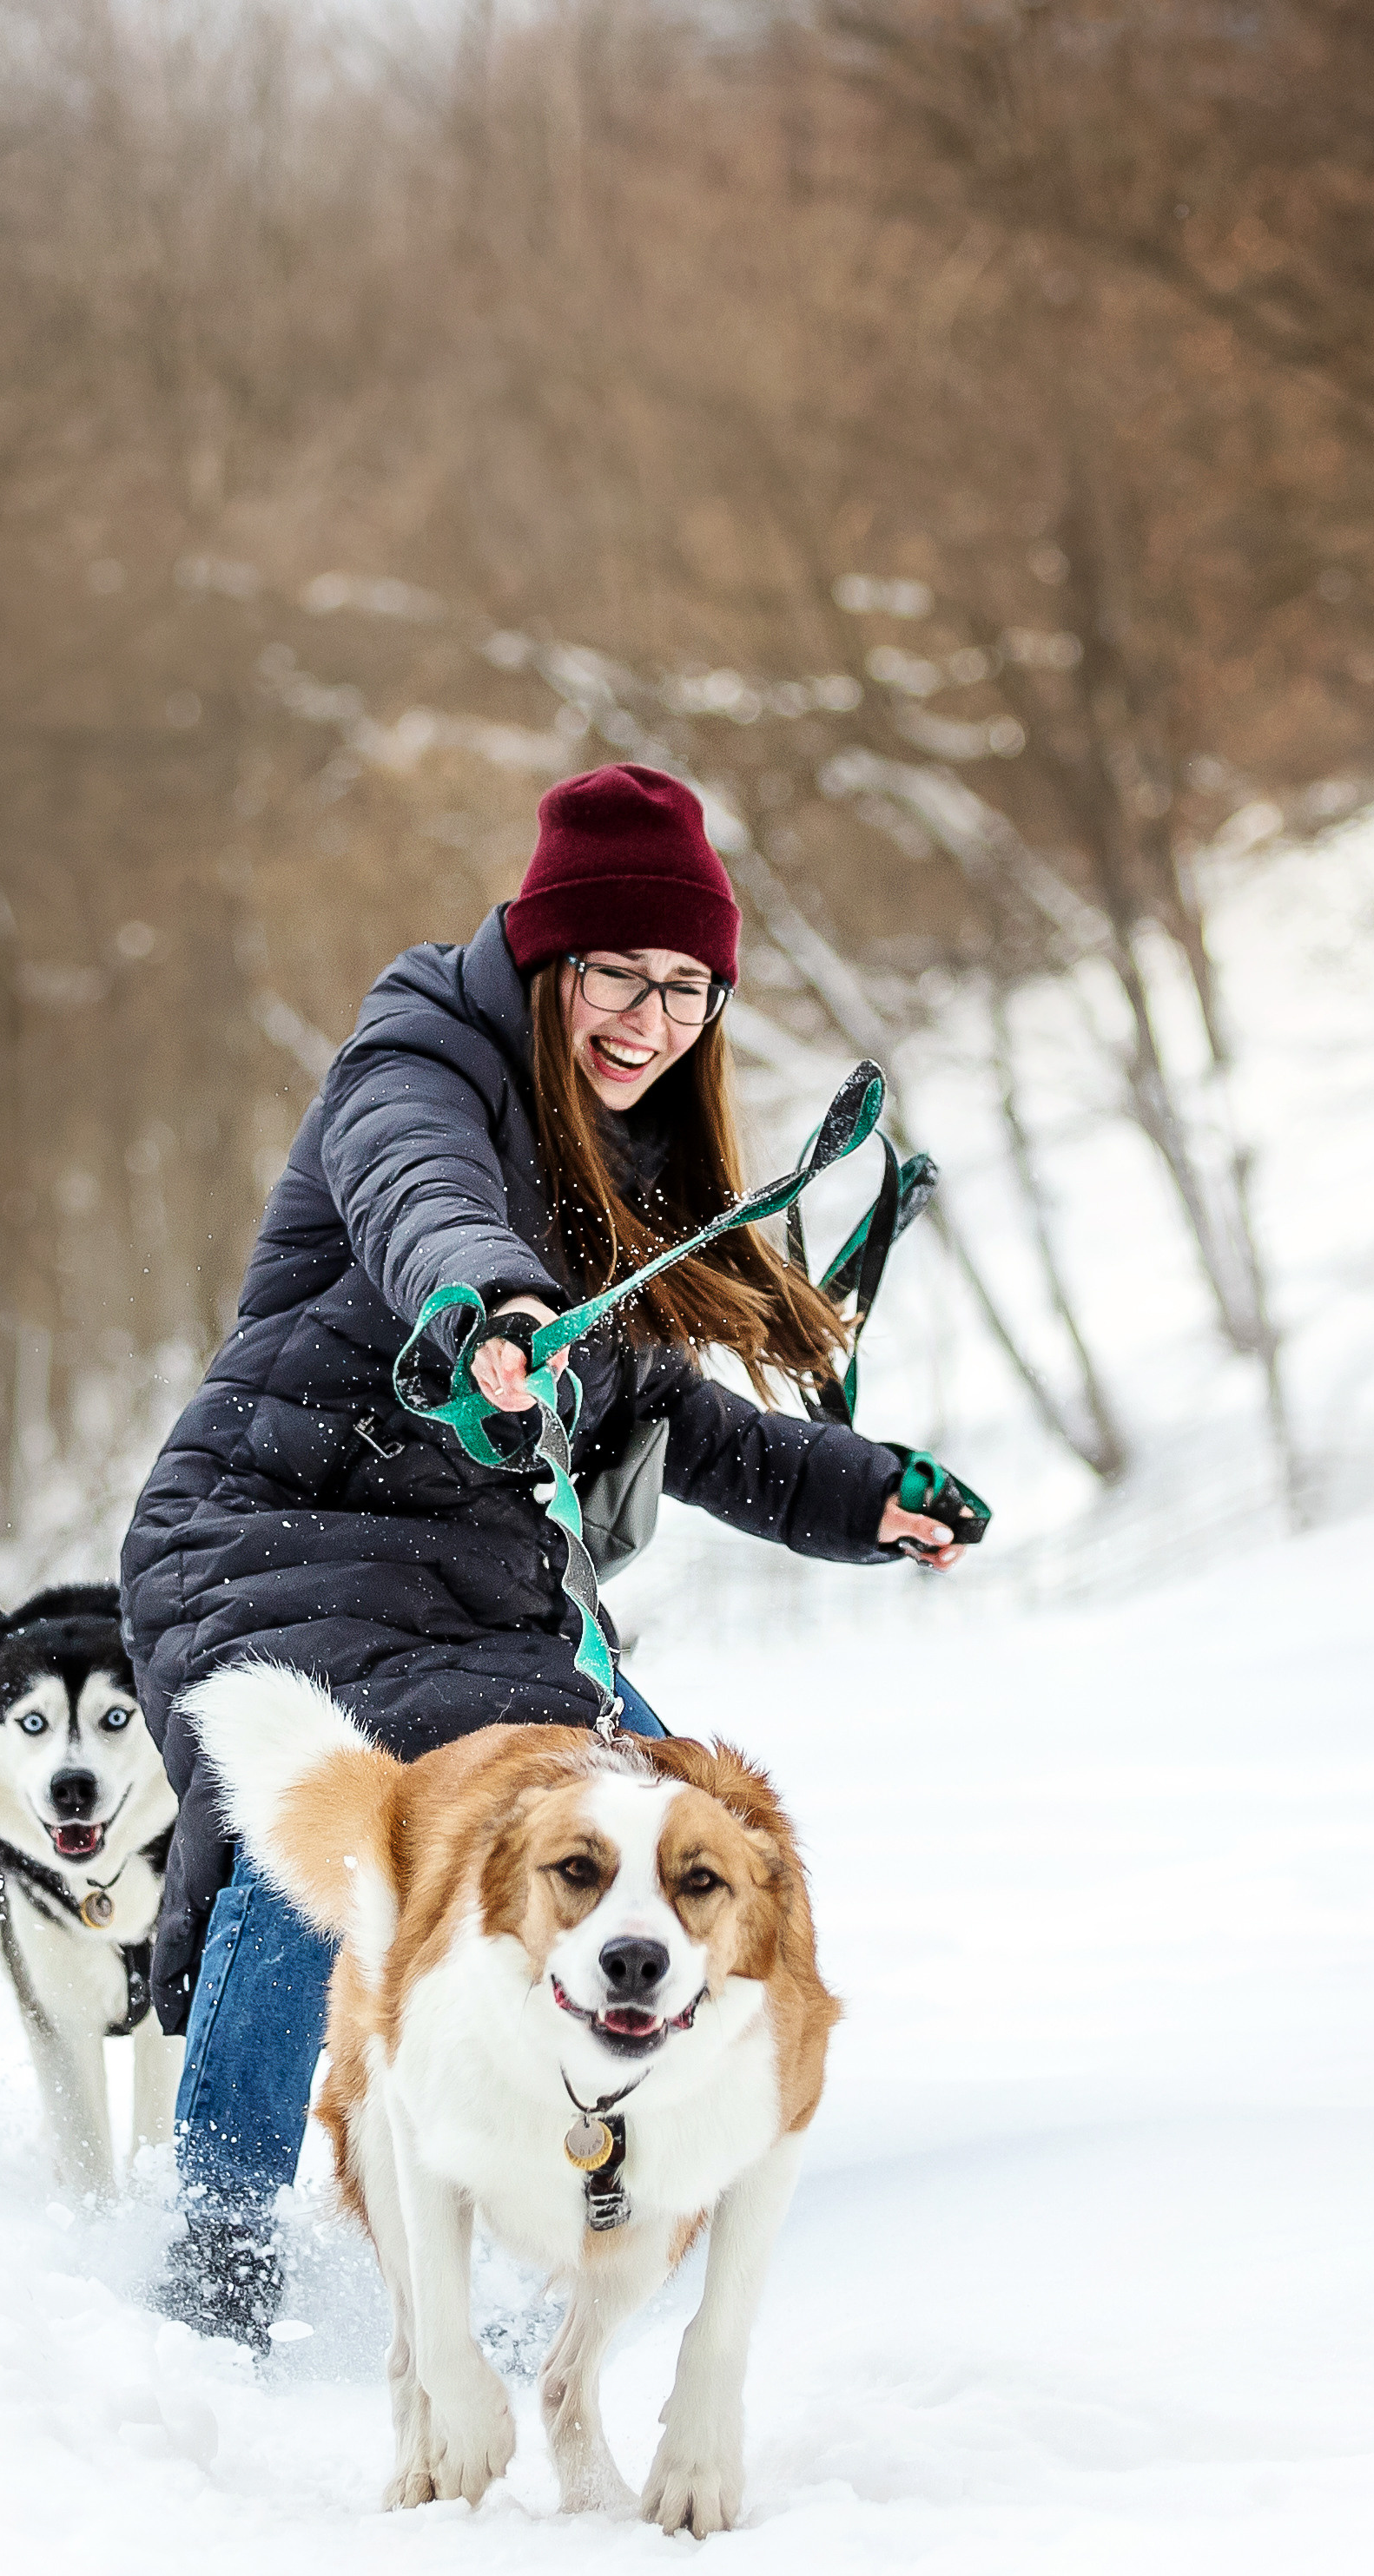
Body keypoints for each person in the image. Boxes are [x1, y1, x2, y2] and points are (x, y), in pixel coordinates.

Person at [121, 762, 969, 2339]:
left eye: (685, 990)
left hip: (479, 1583)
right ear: (541, 960)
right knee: (325, 1835)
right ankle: (221, 2249)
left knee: (677, 1820)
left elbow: (681, 1422)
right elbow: (416, 1196)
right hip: (273, 1530)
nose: (648, 1021)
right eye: (613, 978)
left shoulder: (628, 1165)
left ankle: (602, 2191)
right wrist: (488, 1307)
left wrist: (859, 1495)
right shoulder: (422, 1059)